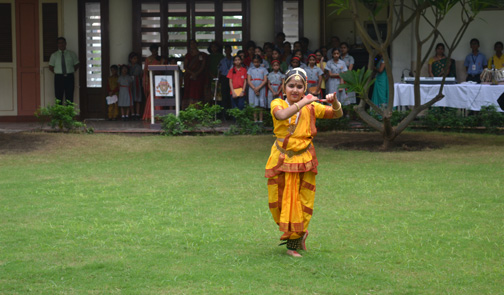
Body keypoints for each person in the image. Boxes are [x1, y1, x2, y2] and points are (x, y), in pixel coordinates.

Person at [265, 68, 343, 257]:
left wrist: (335, 102)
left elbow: (336, 114)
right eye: (291, 86)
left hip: (304, 159)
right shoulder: (278, 103)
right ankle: (295, 235)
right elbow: (282, 116)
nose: (295, 90)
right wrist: (303, 102)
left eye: (300, 87)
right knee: (280, 201)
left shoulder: (311, 106)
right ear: (284, 87)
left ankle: (295, 241)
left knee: (302, 200)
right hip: (281, 158)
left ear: (305, 88)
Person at [48, 37, 79, 104]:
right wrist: (57, 72)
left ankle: (69, 113)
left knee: (70, 97)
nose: (61, 44)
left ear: (65, 44)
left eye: (63, 43)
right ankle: (60, 114)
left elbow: (76, 65)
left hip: (69, 77)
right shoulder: (54, 55)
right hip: (59, 77)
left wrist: (71, 70)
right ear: (57, 44)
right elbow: (50, 67)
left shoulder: (72, 54)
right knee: (58, 97)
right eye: (59, 43)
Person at [183, 39, 208, 107]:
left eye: (194, 43)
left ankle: (198, 108)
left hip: (199, 77)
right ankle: (189, 108)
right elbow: (185, 66)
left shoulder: (201, 55)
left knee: (198, 92)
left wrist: (196, 73)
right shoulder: (188, 55)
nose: (192, 45)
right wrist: (192, 73)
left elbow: (203, 66)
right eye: (191, 44)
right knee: (189, 92)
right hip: (190, 77)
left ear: (197, 44)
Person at [142, 44, 162, 120]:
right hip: (150, 80)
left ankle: (158, 115)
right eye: (153, 51)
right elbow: (145, 71)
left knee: (158, 97)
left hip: (160, 80)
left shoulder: (160, 59)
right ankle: (149, 115)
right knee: (151, 97)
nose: (154, 52)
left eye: (155, 50)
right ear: (151, 51)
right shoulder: (148, 59)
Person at [247, 55, 269, 122]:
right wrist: (254, 88)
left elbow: (265, 80)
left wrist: (259, 87)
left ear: (260, 62)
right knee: (254, 104)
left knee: (261, 104)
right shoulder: (250, 69)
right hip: (252, 88)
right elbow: (248, 80)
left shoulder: (264, 69)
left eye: (257, 62)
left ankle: (261, 120)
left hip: (261, 88)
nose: (256, 63)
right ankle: (255, 120)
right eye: (254, 62)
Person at [218, 45, 234, 116]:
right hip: (224, 78)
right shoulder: (222, 60)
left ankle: (232, 113)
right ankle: (225, 114)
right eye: (226, 50)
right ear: (224, 51)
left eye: (229, 50)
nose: (228, 51)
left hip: (233, 78)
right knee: (224, 96)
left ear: (231, 51)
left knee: (232, 95)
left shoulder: (234, 60)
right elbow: (220, 71)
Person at [128, 52, 143, 120]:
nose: (135, 60)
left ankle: (137, 113)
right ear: (130, 59)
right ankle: (132, 113)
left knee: (137, 99)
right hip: (129, 83)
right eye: (134, 58)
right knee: (131, 99)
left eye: (136, 58)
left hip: (137, 83)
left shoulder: (139, 67)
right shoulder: (128, 66)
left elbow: (141, 75)